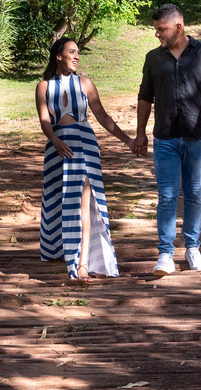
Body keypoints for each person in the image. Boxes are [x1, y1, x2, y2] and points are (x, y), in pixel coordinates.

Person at [132, 4, 201, 276]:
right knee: (166, 197)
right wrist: (140, 132)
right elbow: (145, 97)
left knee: (194, 194)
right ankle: (165, 254)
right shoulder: (153, 58)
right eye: (156, 30)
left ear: (178, 27)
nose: (157, 34)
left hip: (196, 137)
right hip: (165, 138)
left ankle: (192, 248)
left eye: (161, 29)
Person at [36, 37, 133, 283]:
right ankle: (61, 249)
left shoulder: (85, 83)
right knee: (58, 199)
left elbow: (103, 117)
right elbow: (45, 120)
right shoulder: (43, 86)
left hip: (84, 145)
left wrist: (128, 141)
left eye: (78, 52)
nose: (77, 56)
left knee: (83, 202)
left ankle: (82, 264)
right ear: (59, 56)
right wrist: (55, 141)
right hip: (57, 147)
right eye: (72, 52)